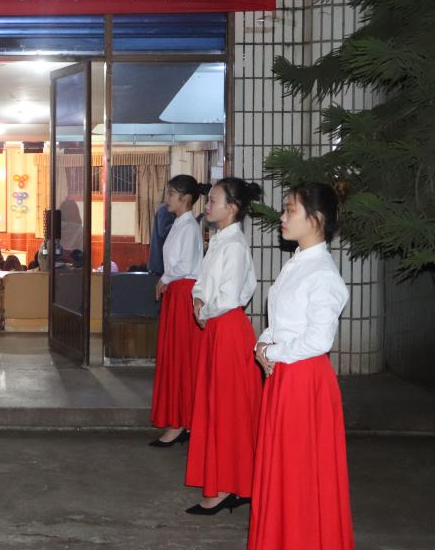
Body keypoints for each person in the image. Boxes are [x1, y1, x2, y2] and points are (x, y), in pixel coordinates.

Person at [248, 183, 353, 549]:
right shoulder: (298, 261)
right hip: (286, 376)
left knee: (300, 473)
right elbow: (281, 319)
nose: (282, 216)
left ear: (316, 219)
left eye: (290, 210)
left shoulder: (323, 274)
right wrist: (263, 343)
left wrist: (272, 352)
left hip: (305, 381)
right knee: (283, 469)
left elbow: (319, 340)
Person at [184, 177, 263, 515]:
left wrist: (205, 310)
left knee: (228, 411)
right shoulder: (219, 240)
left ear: (231, 208)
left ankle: (228, 485)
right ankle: (231, 482)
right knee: (218, 407)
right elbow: (204, 282)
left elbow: (229, 298)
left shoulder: (234, 246)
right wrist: (198, 299)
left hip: (229, 330)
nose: (207, 205)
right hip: (218, 328)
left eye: (213, 201)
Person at [149, 175, 210, 448]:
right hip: (177, 291)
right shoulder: (180, 223)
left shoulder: (188, 227)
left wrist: (165, 278)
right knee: (175, 357)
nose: (168, 199)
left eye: (172, 194)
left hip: (184, 292)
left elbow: (184, 265)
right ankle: (182, 420)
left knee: (181, 359)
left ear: (185, 198)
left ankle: (182, 422)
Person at [148, 202, 177, 276]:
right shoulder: (164, 209)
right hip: (160, 266)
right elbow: (164, 233)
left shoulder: (174, 212)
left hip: (166, 266)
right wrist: (182, 224)